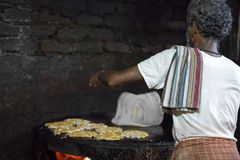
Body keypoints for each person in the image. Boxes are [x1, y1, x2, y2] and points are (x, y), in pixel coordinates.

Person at [89, 0, 240, 159]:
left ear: (194, 26)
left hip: (193, 155)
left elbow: (114, 80)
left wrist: (100, 75)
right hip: (231, 153)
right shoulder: (236, 71)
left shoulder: (177, 57)